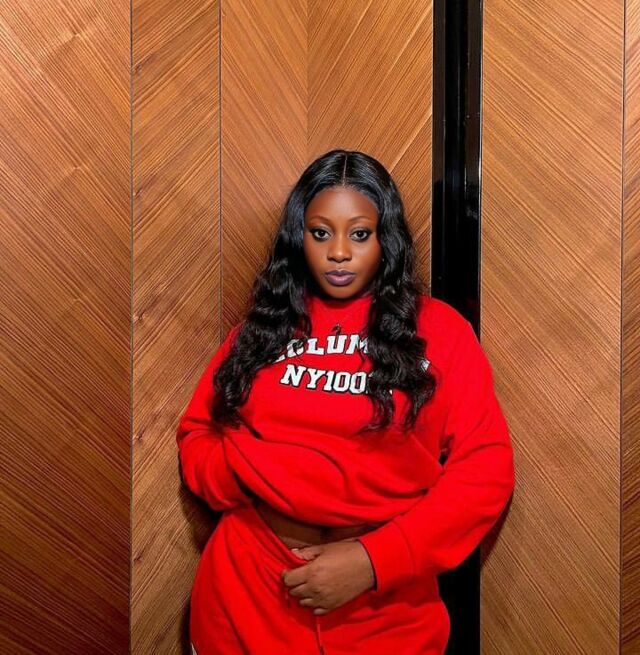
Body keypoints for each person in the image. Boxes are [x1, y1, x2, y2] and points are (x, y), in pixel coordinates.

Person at [176, 149, 515, 655]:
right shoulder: (262, 328)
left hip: (384, 609)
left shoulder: (440, 332)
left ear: (386, 239)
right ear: (299, 237)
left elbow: (486, 468)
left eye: (359, 234)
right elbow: (198, 430)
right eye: (320, 233)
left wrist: (375, 561)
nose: (338, 252)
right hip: (247, 591)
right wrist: (239, 475)